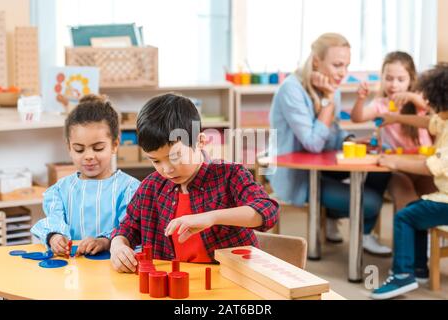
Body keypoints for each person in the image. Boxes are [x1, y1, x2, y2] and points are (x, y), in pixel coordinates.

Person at [110, 93, 279, 273]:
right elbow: (128, 228)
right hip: (175, 287)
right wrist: (117, 245)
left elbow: (268, 211)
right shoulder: (151, 186)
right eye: (156, 161)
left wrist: (212, 217)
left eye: (175, 157)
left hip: (231, 281)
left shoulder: (230, 174)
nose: (167, 170)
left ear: (200, 141)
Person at [269, 33, 391, 255]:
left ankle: (361, 233)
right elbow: (314, 143)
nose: (343, 73)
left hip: (323, 166)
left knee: (381, 172)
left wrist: (353, 142)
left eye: (346, 65)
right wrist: (327, 99)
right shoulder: (292, 90)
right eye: (337, 65)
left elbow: (332, 134)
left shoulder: (330, 88)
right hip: (297, 176)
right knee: (371, 203)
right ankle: (337, 217)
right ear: (317, 61)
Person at [371, 63, 448, 299]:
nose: (432, 112)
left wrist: (394, 163)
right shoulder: (445, 119)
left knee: (405, 216)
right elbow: (429, 122)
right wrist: (395, 118)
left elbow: (429, 166)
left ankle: (402, 276)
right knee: (416, 209)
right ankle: (418, 268)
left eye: (435, 106)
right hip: (443, 198)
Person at [31, 94, 140, 257]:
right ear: (69, 147)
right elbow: (54, 220)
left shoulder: (130, 189)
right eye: (79, 149)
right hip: (72, 271)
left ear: (115, 145)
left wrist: (105, 241)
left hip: (113, 270)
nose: (88, 156)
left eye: (98, 148)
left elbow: (132, 228)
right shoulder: (60, 190)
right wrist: (55, 236)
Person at [351, 51, 436, 212]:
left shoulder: (417, 102)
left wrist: (411, 96)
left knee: (433, 199)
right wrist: (361, 99)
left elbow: (432, 110)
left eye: (401, 79)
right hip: (397, 168)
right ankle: (406, 234)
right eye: (389, 78)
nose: (394, 85)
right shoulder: (380, 104)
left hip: (423, 165)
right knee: (407, 200)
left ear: (411, 80)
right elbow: (358, 117)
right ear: (382, 78)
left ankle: (427, 236)